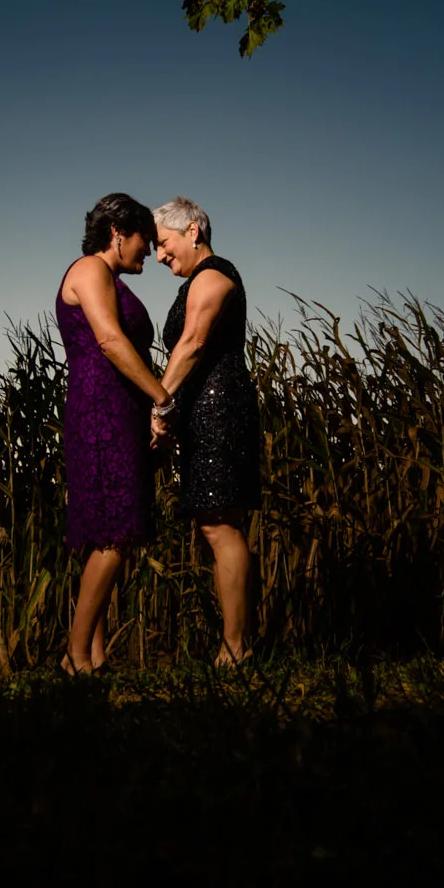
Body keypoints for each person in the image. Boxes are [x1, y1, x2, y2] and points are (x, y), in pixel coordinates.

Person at [55, 193, 172, 675]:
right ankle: (76, 657)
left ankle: (95, 656)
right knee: (114, 533)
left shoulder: (107, 276)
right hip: (101, 411)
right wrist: (163, 397)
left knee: (107, 531)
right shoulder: (90, 269)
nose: (150, 250)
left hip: (117, 408)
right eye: (146, 239)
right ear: (118, 233)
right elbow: (108, 339)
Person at [151, 196, 261, 666]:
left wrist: (161, 403)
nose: (159, 255)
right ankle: (238, 643)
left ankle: (236, 649)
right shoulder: (196, 280)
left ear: (192, 231)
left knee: (220, 526)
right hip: (203, 411)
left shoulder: (214, 275)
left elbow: (193, 343)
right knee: (214, 526)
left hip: (220, 410)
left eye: (163, 243)